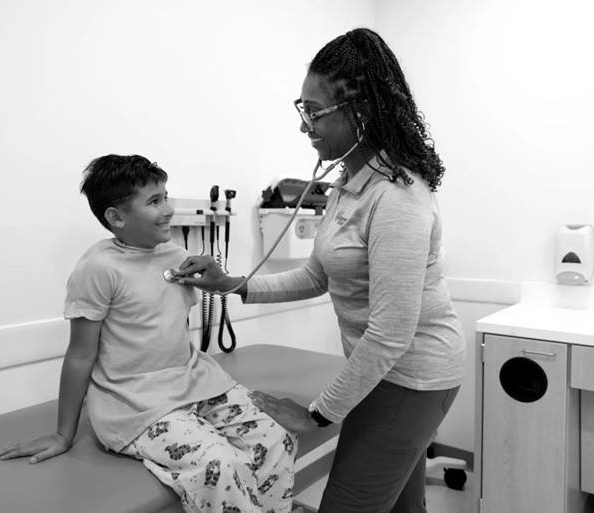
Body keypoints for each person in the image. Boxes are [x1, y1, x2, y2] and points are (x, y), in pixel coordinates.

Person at [175, 28, 466, 513]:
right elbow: (315, 276)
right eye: (302, 110)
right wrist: (229, 285)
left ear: (362, 110)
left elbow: (392, 333)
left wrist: (318, 414)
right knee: (400, 507)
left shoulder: (397, 197)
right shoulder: (348, 185)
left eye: (316, 113)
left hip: (414, 377)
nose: (305, 125)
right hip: (380, 374)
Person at [0, 154, 297, 513]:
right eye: (155, 201)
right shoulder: (98, 268)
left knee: (276, 438)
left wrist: (219, 281)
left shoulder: (175, 255)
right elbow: (80, 355)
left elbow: (170, 329)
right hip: (135, 404)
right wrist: (64, 434)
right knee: (219, 463)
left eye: (166, 196)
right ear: (116, 217)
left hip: (196, 384)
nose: (169, 209)